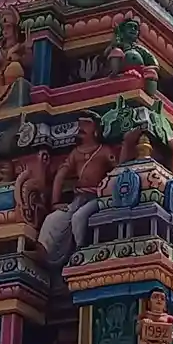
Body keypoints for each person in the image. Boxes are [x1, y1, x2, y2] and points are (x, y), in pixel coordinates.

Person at [33, 113, 130, 267]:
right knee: (52, 220)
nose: (81, 128)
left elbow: (119, 170)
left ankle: (79, 253)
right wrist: (55, 202)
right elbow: (60, 175)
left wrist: (126, 145)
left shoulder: (103, 151)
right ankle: (44, 254)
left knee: (78, 218)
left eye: (86, 124)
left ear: (96, 129)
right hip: (77, 198)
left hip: (96, 198)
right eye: (80, 124)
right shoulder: (76, 153)